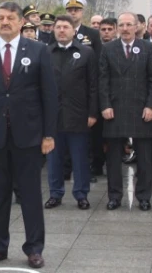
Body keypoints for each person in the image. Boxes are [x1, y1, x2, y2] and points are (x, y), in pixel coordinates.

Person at [0, 1, 58, 270]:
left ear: (21, 22)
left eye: (10, 18)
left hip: (28, 136)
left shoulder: (39, 50)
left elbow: (49, 96)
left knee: (30, 195)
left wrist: (49, 134)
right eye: (0, 18)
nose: (4, 22)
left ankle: (34, 248)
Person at [99, 12, 152, 211]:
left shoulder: (148, 48)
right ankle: (115, 197)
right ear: (117, 28)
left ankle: (143, 197)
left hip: (141, 108)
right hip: (114, 109)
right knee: (114, 158)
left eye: (129, 25)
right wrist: (105, 105)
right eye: (122, 25)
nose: (125, 28)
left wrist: (151, 106)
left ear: (137, 27)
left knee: (144, 157)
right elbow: (103, 79)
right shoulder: (108, 49)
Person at [45, 15, 97, 210]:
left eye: (65, 27)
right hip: (53, 116)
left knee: (80, 158)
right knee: (54, 158)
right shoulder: (46, 52)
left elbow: (93, 85)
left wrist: (93, 113)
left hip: (78, 114)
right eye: (58, 27)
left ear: (74, 30)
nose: (61, 30)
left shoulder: (86, 52)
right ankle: (55, 193)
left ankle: (81, 194)